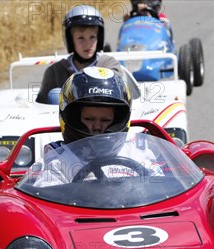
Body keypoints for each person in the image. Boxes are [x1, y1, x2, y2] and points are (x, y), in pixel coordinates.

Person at [33, 67, 161, 187]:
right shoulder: (58, 161)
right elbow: (46, 205)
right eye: (89, 119)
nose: (97, 127)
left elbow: (162, 189)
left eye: (105, 120)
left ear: (118, 121)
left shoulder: (138, 153)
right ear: (73, 118)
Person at [36, 5, 121, 104]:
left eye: (92, 37)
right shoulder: (55, 72)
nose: (88, 44)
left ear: (99, 38)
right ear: (71, 40)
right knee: (55, 95)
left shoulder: (109, 66)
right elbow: (41, 106)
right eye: (81, 38)